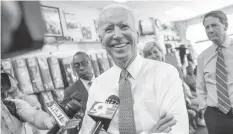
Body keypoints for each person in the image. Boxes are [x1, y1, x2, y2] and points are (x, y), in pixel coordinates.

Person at [80, 4, 188, 134]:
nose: (118, 35)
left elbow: (177, 129)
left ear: (137, 35)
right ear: (101, 41)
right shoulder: (99, 86)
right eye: (109, 29)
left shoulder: (165, 74)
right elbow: (91, 131)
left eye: (124, 26)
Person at [196, 10, 233, 134]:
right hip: (215, 115)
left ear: (226, 26)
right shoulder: (203, 57)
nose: (210, 30)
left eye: (214, 25)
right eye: (207, 27)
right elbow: (200, 86)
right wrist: (204, 109)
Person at [62, 51, 95, 134]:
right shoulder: (70, 91)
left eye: (84, 63)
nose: (81, 68)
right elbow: (70, 122)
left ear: (91, 63)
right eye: (77, 65)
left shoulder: (105, 83)